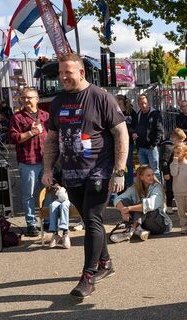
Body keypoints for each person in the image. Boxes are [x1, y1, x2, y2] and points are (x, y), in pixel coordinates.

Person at [42, 52, 128, 300]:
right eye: (61, 73)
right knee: (92, 221)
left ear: (81, 72)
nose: (63, 77)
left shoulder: (101, 97)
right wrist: (48, 169)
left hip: (98, 170)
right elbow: (52, 139)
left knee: (92, 219)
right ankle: (105, 263)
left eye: (68, 72)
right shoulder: (58, 102)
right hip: (71, 173)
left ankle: (88, 277)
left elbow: (121, 133)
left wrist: (119, 171)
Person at [9, 88, 49, 236]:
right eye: (24, 98)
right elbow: (14, 138)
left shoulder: (46, 116)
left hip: (46, 160)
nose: (26, 100)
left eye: (30, 98)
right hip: (28, 161)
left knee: (47, 192)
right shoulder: (17, 118)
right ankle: (31, 224)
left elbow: (52, 137)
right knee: (29, 194)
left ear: (37, 99)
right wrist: (31, 132)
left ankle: (47, 220)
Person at [112, 164, 173, 242]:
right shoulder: (135, 187)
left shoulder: (157, 188)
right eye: (148, 175)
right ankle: (139, 230)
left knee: (143, 204)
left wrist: (129, 208)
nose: (152, 177)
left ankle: (132, 229)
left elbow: (150, 205)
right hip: (146, 223)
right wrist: (124, 212)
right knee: (124, 201)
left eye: (152, 174)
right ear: (141, 177)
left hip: (161, 225)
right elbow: (118, 199)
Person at [134, 94, 163, 181]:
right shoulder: (139, 114)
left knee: (155, 171)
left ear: (148, 103)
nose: (143, 105)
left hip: (151, 148)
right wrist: (135, 133)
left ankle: (158, 191)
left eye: (145, 103)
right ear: (138, 104)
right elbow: (136, 127)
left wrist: (154, 144)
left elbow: (159, 130)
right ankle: (148, 190)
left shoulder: (155, 114)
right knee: (145, 171)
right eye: (141, 103)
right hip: (141, 147)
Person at [159, 128, 187, 214]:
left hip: (177, 170)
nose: (181, 143)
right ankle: (169, 206)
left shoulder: (174, 145)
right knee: (169, 189)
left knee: (178, 189)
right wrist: (166, 173)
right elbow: (164, 161)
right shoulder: (167, 146)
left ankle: (178, 206)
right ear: (174, 138)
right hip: (170, 172)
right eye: (180, 141)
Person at [116, 95, 137, 188]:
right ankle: (121, 182)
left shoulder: (131, 112)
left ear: (122, 102)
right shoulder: (116, 112)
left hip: (129, 141)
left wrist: (133, 132)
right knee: (119, 163)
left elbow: (136, 124)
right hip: (118, 141)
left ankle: (130, 183)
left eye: (119, 102)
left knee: (128, 163)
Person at [46, 182, 71, 249]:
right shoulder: (58, 172)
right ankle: (55, 234)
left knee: (64, 205)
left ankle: (65, 233)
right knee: (52, 205)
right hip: (60, 197)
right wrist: (56, 185)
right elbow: (53, 182)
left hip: (70, 198)